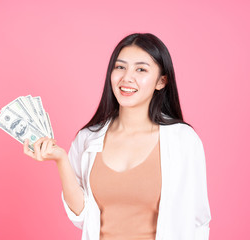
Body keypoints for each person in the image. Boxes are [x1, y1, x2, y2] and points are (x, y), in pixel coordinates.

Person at [23, 33, 211, 240]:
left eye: (141, 69)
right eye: (120, 67)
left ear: (161, 81)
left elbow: (197, 221)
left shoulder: (182, 140)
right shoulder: (87, 138)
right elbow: (81, 216)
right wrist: (60, 159)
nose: (126, 78)